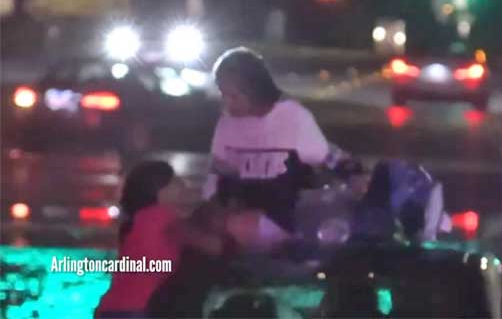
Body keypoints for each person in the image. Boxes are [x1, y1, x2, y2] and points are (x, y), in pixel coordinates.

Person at [203, 47, 330, 232]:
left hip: (282, 220)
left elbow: (320, 170)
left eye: (233, 96)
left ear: (255, 90)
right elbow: (215, 178)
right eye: (223, 94)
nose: (227, 103)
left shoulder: (294, 117)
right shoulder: (226, 124)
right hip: (235, 215)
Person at [96, 161, 226, 318]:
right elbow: (213, 246)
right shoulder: (161, 217)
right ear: (159, 191)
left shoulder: (140, 219)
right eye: (176, 182)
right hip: (137, 310)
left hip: (114, 308)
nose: (183, 185)